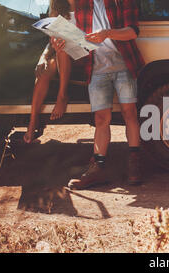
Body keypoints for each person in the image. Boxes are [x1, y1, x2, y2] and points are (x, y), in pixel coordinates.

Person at [57, 0, 145, 189]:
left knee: (129, 112)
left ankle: (134, 163)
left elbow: (133, 31)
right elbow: (77, 39)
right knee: (100, 119)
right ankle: (97, 170)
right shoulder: (82, 5)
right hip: (96, 68)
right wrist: (63, 43)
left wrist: (107, 33)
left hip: (124, 65)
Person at [23, 0, 75, 144]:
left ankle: (62, 96)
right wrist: (43, 58)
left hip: (83, 54)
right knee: (44, 69)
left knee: (62, 49)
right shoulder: (57, 8)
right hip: (61, 54)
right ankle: (33, 122)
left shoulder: (87, 5)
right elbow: (50, 42)